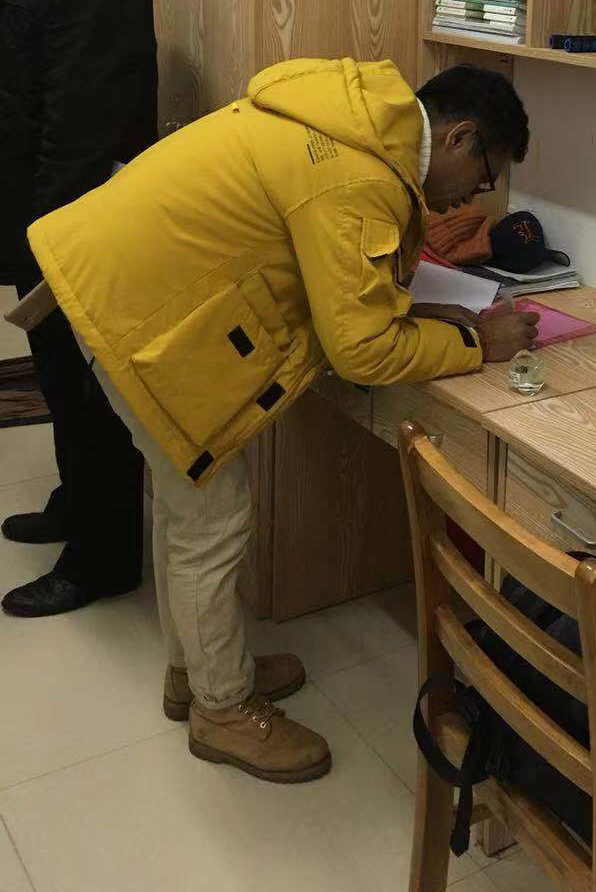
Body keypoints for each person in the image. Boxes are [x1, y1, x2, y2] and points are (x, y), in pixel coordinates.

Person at [25, 56, 538, 784]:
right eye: (483, 179)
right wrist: (477, 343)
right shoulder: (359, 174)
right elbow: (361, 351)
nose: (470, 199)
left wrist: (416, 313)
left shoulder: (349, 120)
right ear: (458, 138)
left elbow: (337, 283)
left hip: (115, 284)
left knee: (185, 509)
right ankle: (222, 710)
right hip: (133, 311)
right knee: (211, 519)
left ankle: (198, 675)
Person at [0, 0, 157, 618]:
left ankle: (104, 557)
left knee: (93, 393)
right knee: (59, 379)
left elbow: (82, 122)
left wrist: (44, 242)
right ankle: (75, 505)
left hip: (77, 219)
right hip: (38, 209)